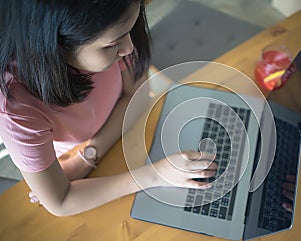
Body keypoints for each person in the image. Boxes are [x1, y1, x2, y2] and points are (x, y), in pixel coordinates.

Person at [0, 0, 216, 216]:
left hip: (103, 145)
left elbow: (139, 95)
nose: (129, 48)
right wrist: (156, 175)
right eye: (112, 44)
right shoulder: (16, 104)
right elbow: (60, 202)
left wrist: (87, 157)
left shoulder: (115, 22)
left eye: (130, 29)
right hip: (74, 155)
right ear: (55, 44)